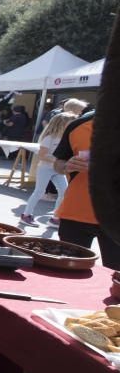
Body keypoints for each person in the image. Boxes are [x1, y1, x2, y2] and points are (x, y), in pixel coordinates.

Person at [53, 110, 119, 269]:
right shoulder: (79, 125)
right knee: (67, 272)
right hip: (75, 214)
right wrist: (67, 166)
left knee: (115, 277)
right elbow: (58, 164)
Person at [20, 112, 76, 226]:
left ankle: (55, 218)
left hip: (58, 170)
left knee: (64, 192)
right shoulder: (49, 137)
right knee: (39, 192)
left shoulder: (66, 138)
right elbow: (41, 155)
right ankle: (26, 215)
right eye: (70, 123)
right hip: (45, 168)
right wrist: (58, 161)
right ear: (62, 124)